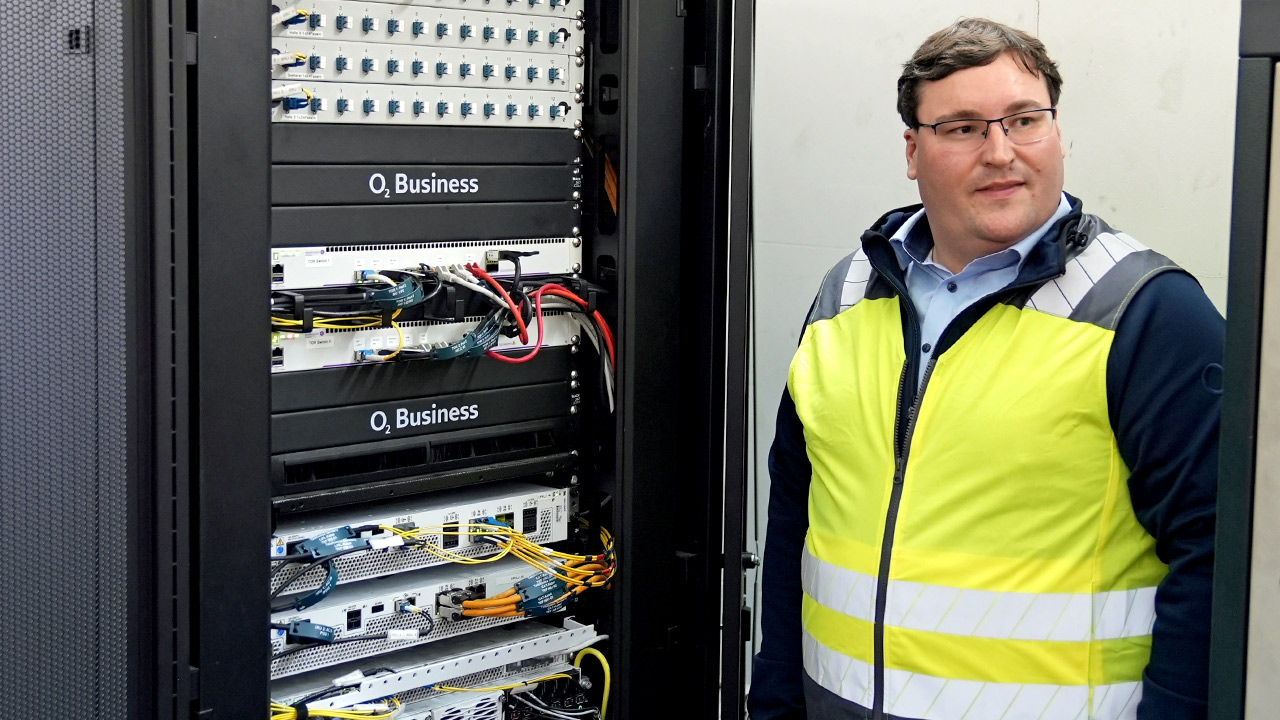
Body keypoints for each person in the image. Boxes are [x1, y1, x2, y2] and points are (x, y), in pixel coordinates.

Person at [748, 18, 1222, 720]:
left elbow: (1216, 557)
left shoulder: (1144, 312)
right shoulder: (845, 295)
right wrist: (775, 703)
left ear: (1057, 132)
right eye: (964, 128)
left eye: (1025, 120)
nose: (1002, 153)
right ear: (913, 151)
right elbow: (795, 513)